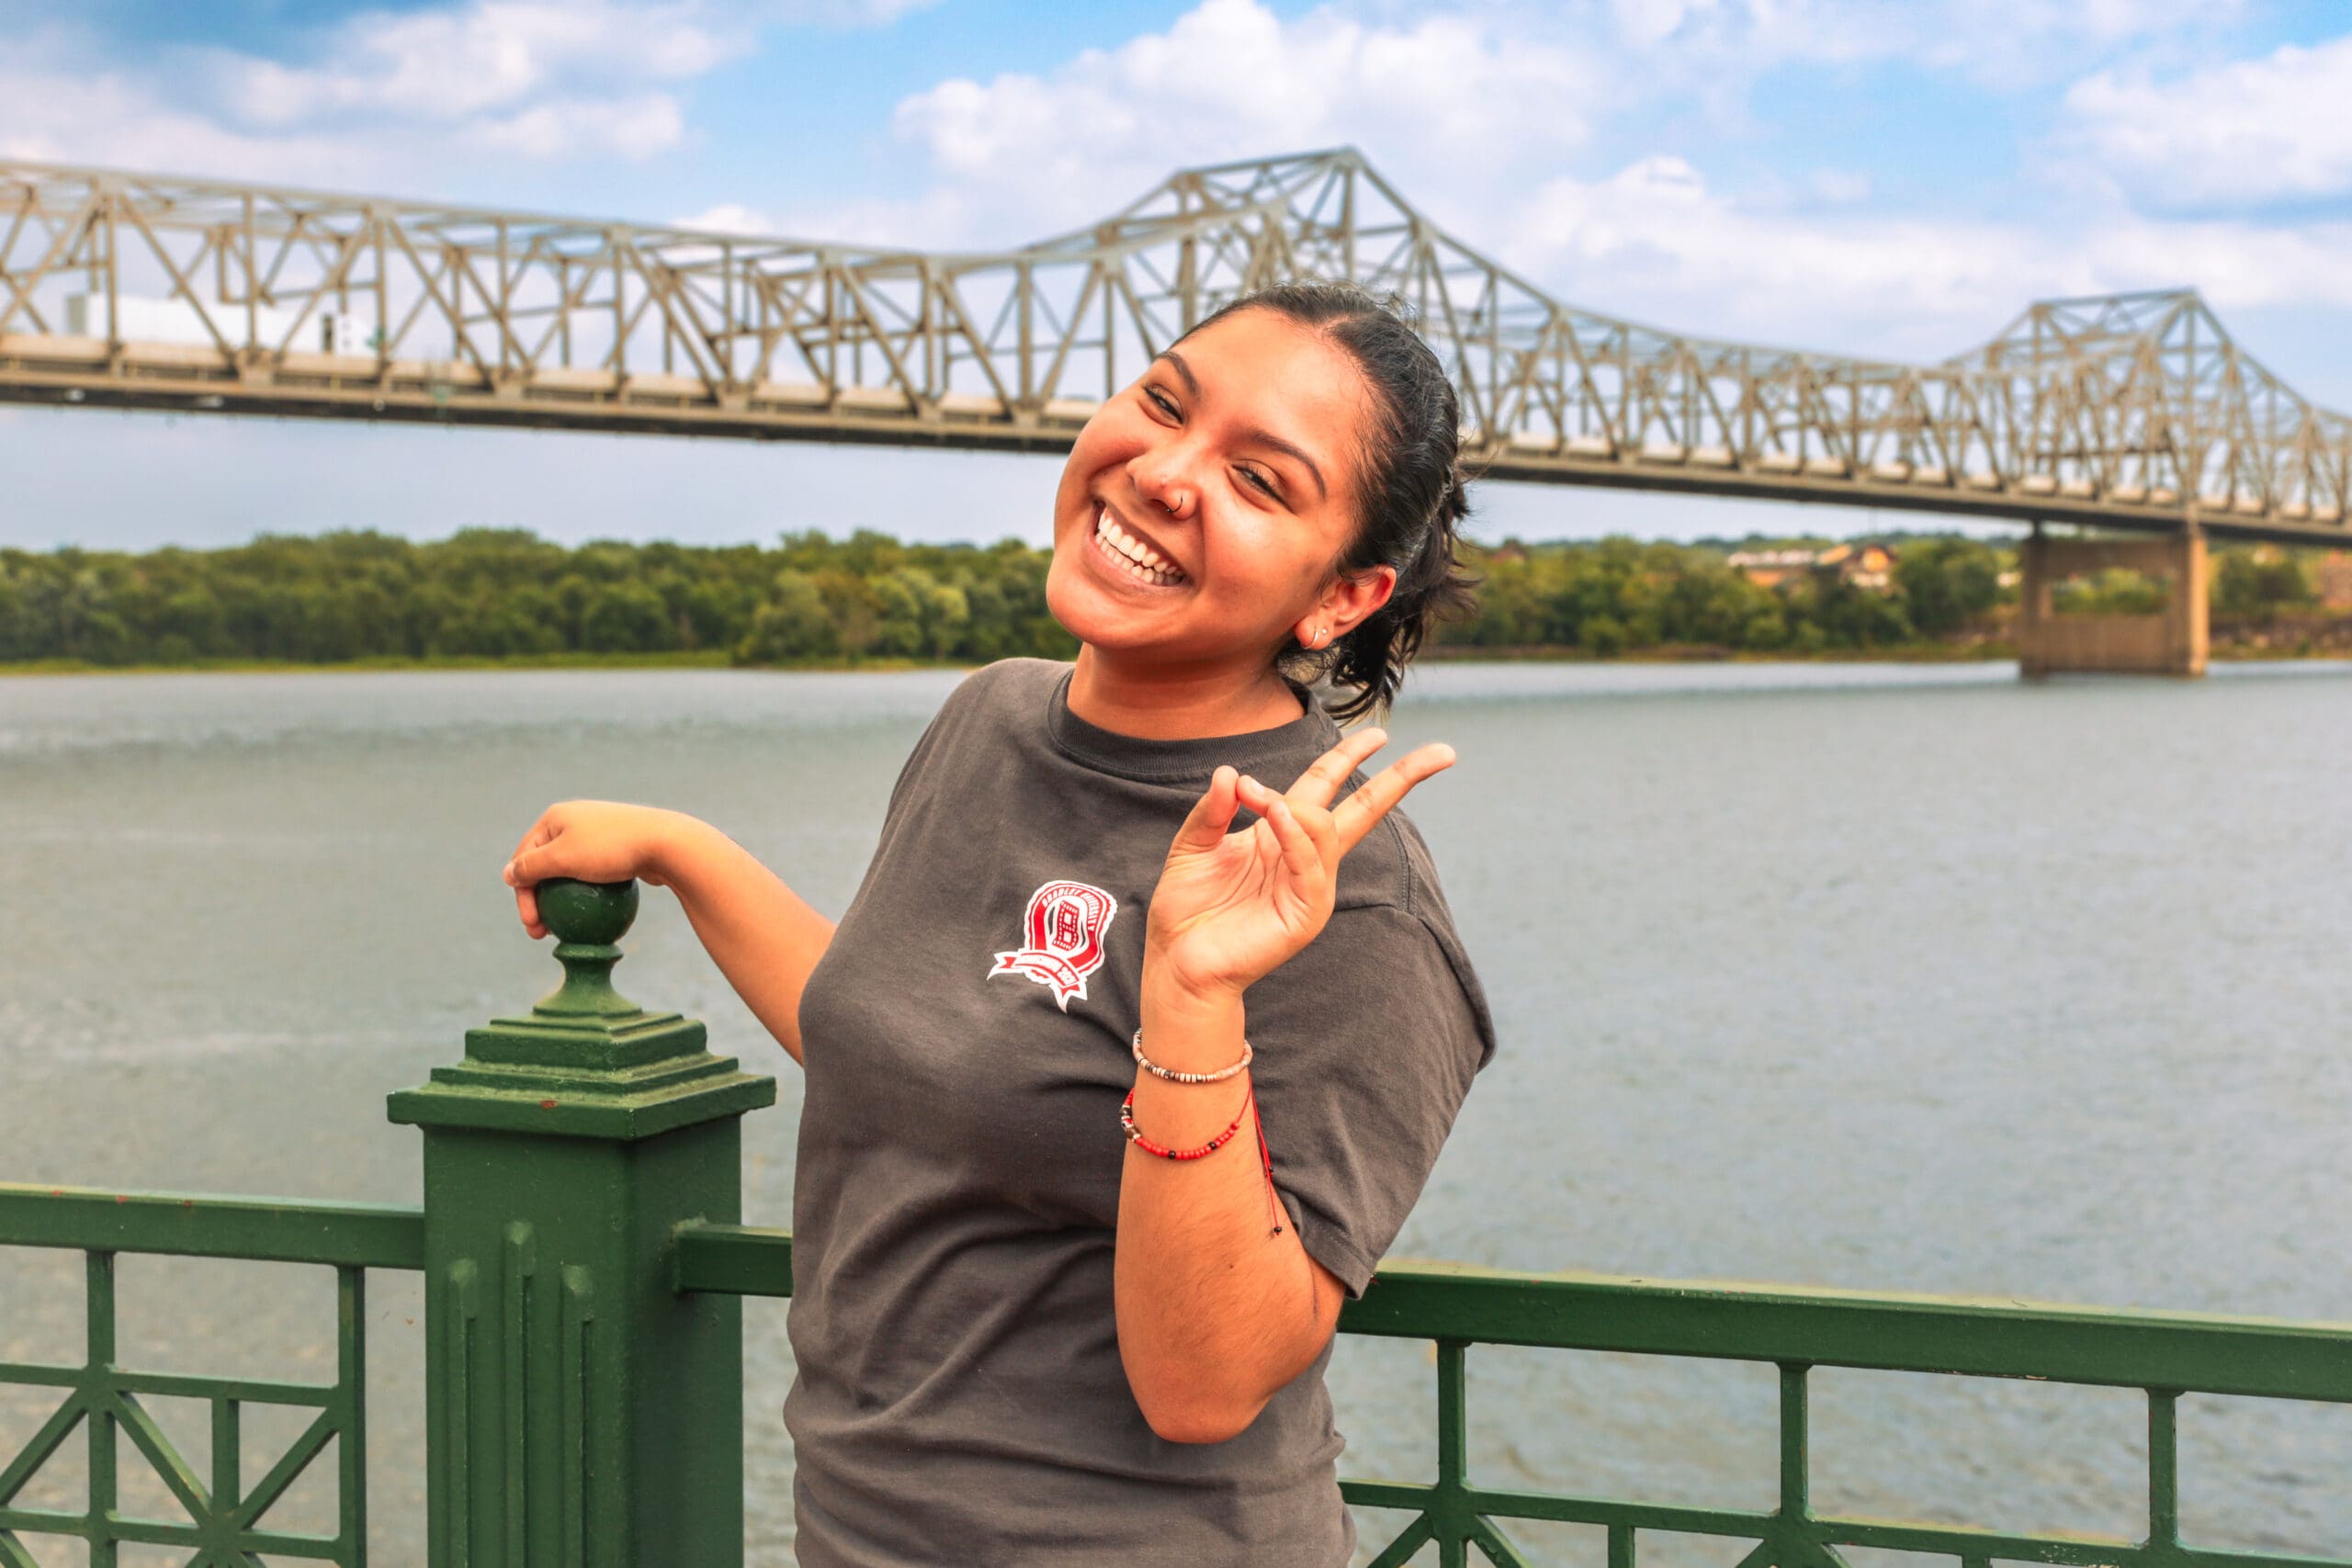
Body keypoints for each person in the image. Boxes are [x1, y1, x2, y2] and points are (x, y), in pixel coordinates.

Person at [499, 281, 1496, 1566]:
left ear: (1342, 598)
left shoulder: (1346, 892)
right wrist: (686, 852)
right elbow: (916, 1041)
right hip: (855, 1534)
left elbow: (1206, 1385)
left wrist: (1192, 998)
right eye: (1164, 404)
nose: (1166, 474)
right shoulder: (992, 719)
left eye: (1258, 480)